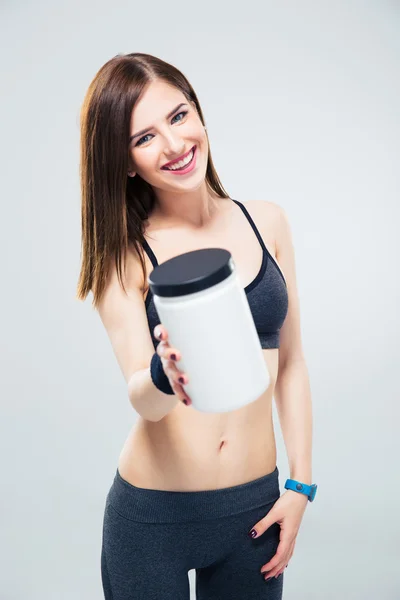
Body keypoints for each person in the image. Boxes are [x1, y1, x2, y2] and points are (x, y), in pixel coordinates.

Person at [76, 52, 315, 600]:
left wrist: (300, 484)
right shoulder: (125, 256)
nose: (174, 145)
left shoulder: (267, 221)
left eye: (179, 117)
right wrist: (165, 375)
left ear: (200, 116)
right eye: (144, 138)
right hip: (153, 520)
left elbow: (294, 364)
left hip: (255, 510)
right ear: (126, 162)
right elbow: (143, 396)